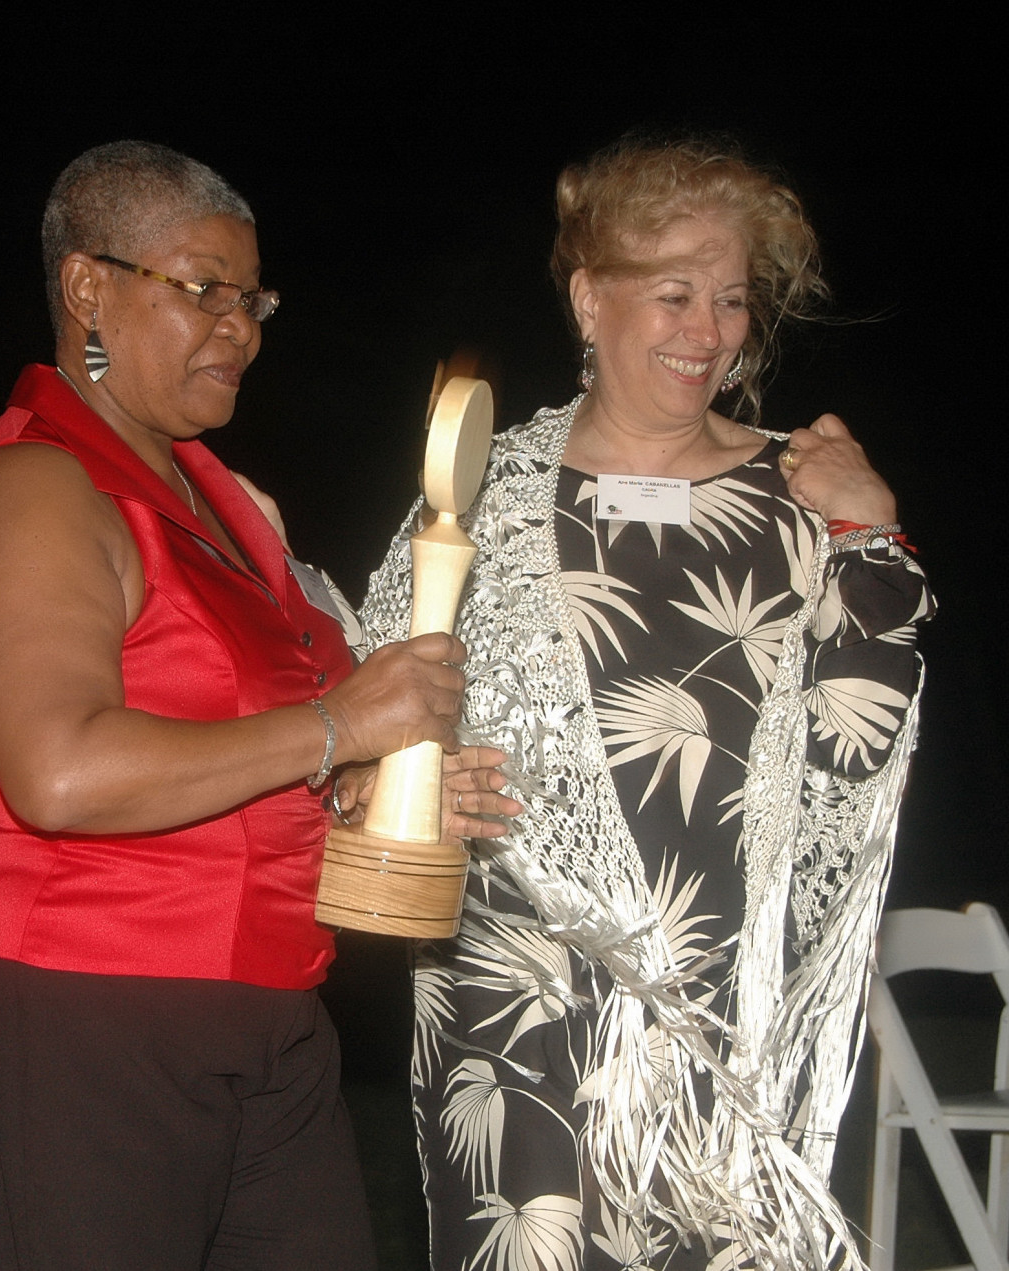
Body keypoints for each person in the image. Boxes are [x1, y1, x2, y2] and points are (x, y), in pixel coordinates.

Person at [0, 140, 515, 1271]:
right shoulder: (34, 486)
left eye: (254, 300)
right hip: (80, 1005)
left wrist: (366, 791)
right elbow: (62, 773)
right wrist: (344, 724)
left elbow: (246, 747)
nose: (241, 329)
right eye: (204, 290)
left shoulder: (221, 503)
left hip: (271, 1009)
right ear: (89, 287)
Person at [359, 137, 935, 1269]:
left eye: (732, 299)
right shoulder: (488, 492)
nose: (707, 331)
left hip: (726, 1015)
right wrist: (410, 783)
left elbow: (860, 746)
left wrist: (872, 534)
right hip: (517, 998)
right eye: (674, 293)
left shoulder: (801, 492)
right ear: (590, 298)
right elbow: (373, 701)